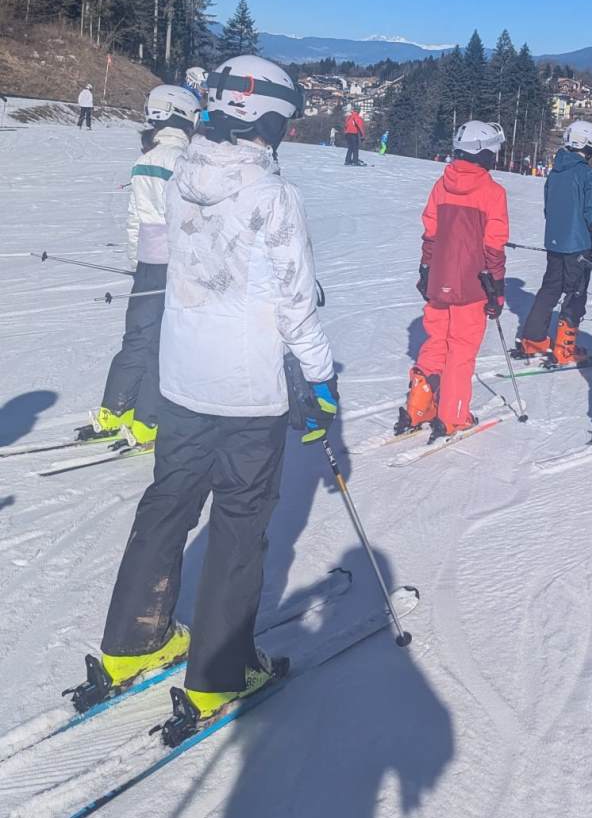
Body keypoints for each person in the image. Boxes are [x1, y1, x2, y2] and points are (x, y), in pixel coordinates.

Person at [92, 54, 337, 723]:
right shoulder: (274, 196)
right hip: (248, 391)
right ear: (269, 118)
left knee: (167, 502)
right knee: (239, 521)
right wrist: (320, 379)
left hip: (181, 378)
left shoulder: (181, 174)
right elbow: (296, 306)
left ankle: (132, 640)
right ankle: (219, 673)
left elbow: (171, 262)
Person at [86, 85, 200, 449]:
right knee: (164, 343)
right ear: (185, 117)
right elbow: (190, 220)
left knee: (137, 337)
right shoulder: (183, 161)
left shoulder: (145, 159)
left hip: (148, 260)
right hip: (176, 263)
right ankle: (147, 421)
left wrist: (136, 259)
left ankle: (113, 411)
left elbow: (136, 216)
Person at [395, 120, 508, 441]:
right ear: (483, 153)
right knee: (461, 350)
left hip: (439, 280)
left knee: (436, 340)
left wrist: (426, 269)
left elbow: (430, 233)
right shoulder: (492, 192)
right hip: (472, 285)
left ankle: (419, 406)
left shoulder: (441, 185)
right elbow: (493, 245)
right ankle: (453, 416)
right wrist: (497, 288)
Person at [514, 120, 592, 365]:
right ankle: (565, 348)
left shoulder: (555, 173)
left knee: (551, 287)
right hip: (578, 244)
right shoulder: (587, 174)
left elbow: (548, 209)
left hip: (555, 242)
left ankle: (533, 340)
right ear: (590, 145)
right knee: (576, 292)